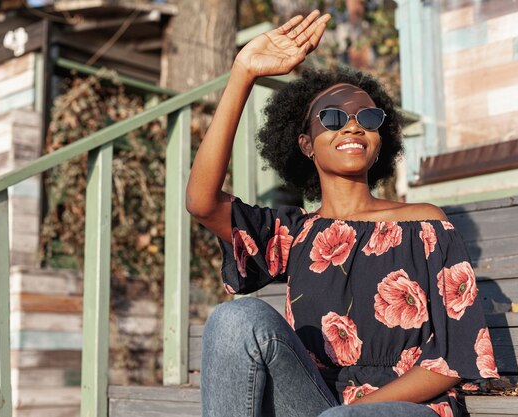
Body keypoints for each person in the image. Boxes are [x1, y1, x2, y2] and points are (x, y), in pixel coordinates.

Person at [185, 10, 499, 417]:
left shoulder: (425, 223)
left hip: (407, 407)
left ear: (379, 139)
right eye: (332, 118)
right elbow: (202, 202)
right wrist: (243, 72)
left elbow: (454, 359)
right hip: (316, 402)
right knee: (236, 317)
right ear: (306, 144)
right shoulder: (295, 235)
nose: (352, 127)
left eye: (367, 119)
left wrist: (352, 409)